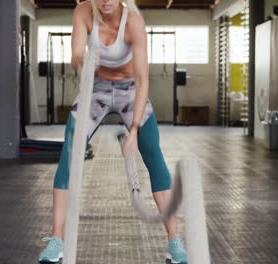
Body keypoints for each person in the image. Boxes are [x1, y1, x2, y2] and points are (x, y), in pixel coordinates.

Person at [39, 0, 187, 263]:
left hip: (131, 88)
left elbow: (143, 80)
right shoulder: (83, 12)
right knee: (69, 154)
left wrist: (134, 131)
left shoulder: (134, 22)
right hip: (95, 87)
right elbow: (76, 55)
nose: (106, 1)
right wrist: (80, 60)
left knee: (152, 152)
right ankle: (56, 240)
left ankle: (174, 241)